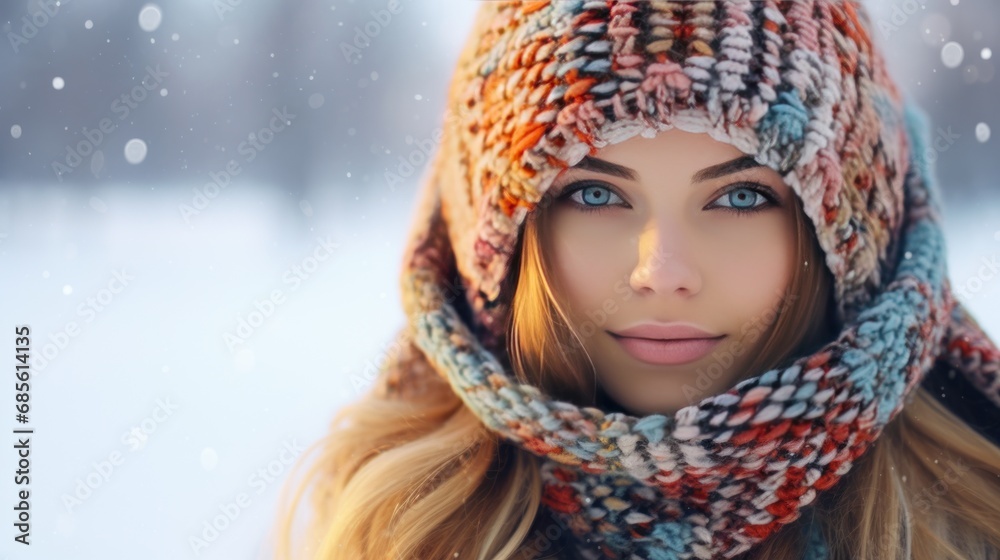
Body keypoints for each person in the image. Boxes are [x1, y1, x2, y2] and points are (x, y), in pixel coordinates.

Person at [271, 1, 1000, 558]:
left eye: (741, 196)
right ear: (492, 239)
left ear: (850, 234)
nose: (663, 273)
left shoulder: (971, 521)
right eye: (594, 194)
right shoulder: (395, 529)